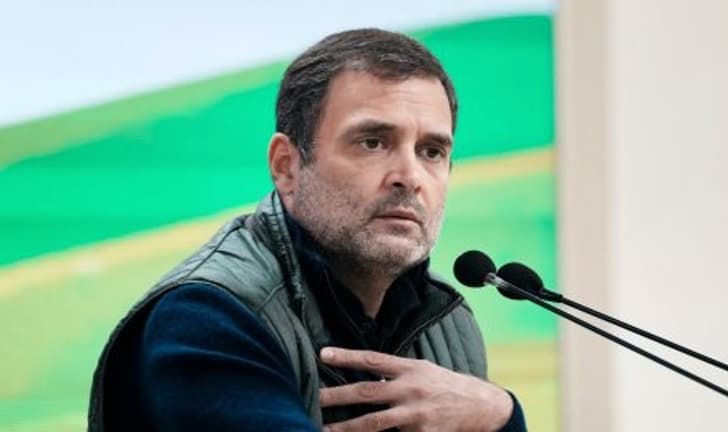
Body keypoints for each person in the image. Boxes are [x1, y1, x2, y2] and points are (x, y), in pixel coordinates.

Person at [88, 28, 528, 431]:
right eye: (372, 142)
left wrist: (501, 413)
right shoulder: (205, 317)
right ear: (287, 166)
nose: (410, 177)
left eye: (431, 151)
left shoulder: (449, 324)